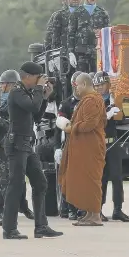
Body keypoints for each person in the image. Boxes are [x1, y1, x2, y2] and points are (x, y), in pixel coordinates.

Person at [2, 62, 63, 239]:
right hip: (16, 145)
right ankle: (9, 229)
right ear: (27, 77)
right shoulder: (16, 91)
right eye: (38, 78)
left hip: (27, 145)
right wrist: (38, 90)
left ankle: (41, 226)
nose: (40, 82)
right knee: (16, 185)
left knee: (40, 182)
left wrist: (45, 96)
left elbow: (36, 115)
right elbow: (33, 107)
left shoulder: (28, 93)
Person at [59, 73, 107, 226]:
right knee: (84, 181)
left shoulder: (92, 100)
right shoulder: (88, 100)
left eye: (77, 85)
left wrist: (71, 128)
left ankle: (95, 216)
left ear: (85, 84)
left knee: (91, 181)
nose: (76, 89)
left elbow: (90, 124)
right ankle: (89, 213)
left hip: (90, 148)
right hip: (84, 147)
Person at [0, 70, 34, 226]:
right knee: (3, 180)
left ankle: (22, 207)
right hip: (1, 147)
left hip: (14, 144)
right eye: (1, 84)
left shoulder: (16, 102)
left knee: (18, 179)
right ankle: (0, 212)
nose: (1, 87)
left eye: (4, 84)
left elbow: (12, 126)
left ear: (12, 85)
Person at [93, 71, 129, 222]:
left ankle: (118, 209)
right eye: (97, 85)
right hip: (100, 143)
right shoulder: (93, 100)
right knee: (100, 178)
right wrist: (106, 113)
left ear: (108, 85)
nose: (99, 88)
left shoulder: (115, 99)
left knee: (117, 176)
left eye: (102, 84)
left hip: (113, 142)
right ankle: (98, 209)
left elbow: (123, 117)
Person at [54, 71, 82, 221]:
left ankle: (82, 208)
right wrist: (57, 147)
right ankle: (71, 208)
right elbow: (58, 128)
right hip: (70, 144)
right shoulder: (66, 104)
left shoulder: (89, 102)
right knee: (70, 179)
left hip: (84, 146)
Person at [67, 0, 110, 73]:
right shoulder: (76, 13)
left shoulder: (103, 13)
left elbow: (107, 35)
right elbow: (71, 34)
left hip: (97, 52)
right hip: (81, 54)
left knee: (97, 79)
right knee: (82, 79)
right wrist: (71, 53)